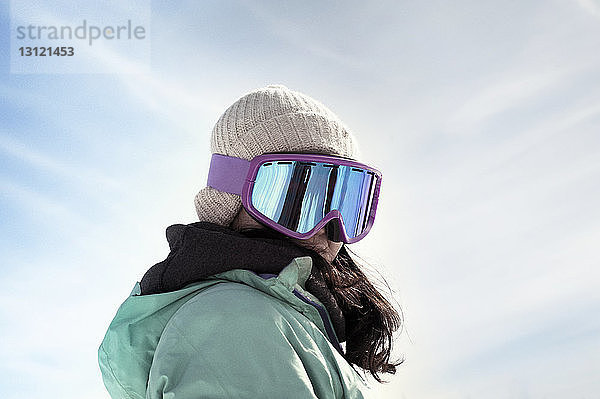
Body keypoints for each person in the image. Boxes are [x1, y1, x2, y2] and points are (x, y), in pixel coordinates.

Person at [98, 84, 402, 398]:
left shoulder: (282, 320)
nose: (327, 228)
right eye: (300, 201)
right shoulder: (235, 322)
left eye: (349, 204)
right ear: (234, 198)